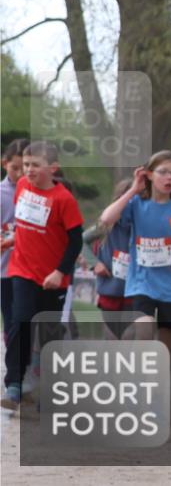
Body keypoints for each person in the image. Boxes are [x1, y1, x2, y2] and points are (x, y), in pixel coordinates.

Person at [99, 150, 171, 365]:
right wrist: (133, 189)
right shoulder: (137, 203)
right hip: (141, 283)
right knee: (144, 331)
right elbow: (106, 219)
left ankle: (161, 382)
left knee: (165, 343)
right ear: (149, 174)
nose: (169, 177)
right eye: (163, 172)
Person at [1, 141, 83, 410]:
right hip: (22, 269)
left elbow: (75, 242)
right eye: (26, 165)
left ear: (53, 168)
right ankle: (14, 384)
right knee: (20, 322)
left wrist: (59, 272)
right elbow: (25, 225)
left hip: (52, 278)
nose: (28, 170)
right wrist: (11, 240)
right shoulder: (23, 186)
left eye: (35, 165)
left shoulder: (64, 199)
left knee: (48, 331)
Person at [91, 180, 135, 339]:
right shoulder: (106, 224)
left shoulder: (145, 224)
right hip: (111, 290)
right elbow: (79, 242)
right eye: (127, 198)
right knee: (113, 338)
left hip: (136, 292)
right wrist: (95, 264)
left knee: (130, 337)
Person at [1, 138, 29, 345]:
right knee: (11, 319)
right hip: (5, 269)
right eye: (15, 168)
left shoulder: (38, 193)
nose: (20, 174)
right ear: (4, 164)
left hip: (31, 268)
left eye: (24, 168)